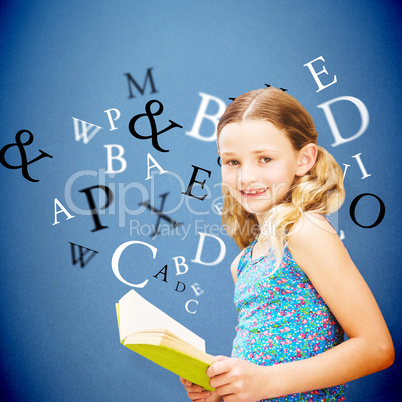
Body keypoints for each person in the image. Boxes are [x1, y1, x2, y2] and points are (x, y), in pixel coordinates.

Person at [180, 87, 394, 401]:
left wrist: (265, 382)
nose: (246, 177)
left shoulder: (305, 230)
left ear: (304, 159)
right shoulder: (243, 263)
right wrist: (225, 390)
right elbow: (261, 369)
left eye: (265, 159)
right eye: (232, 162)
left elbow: (376, 348)